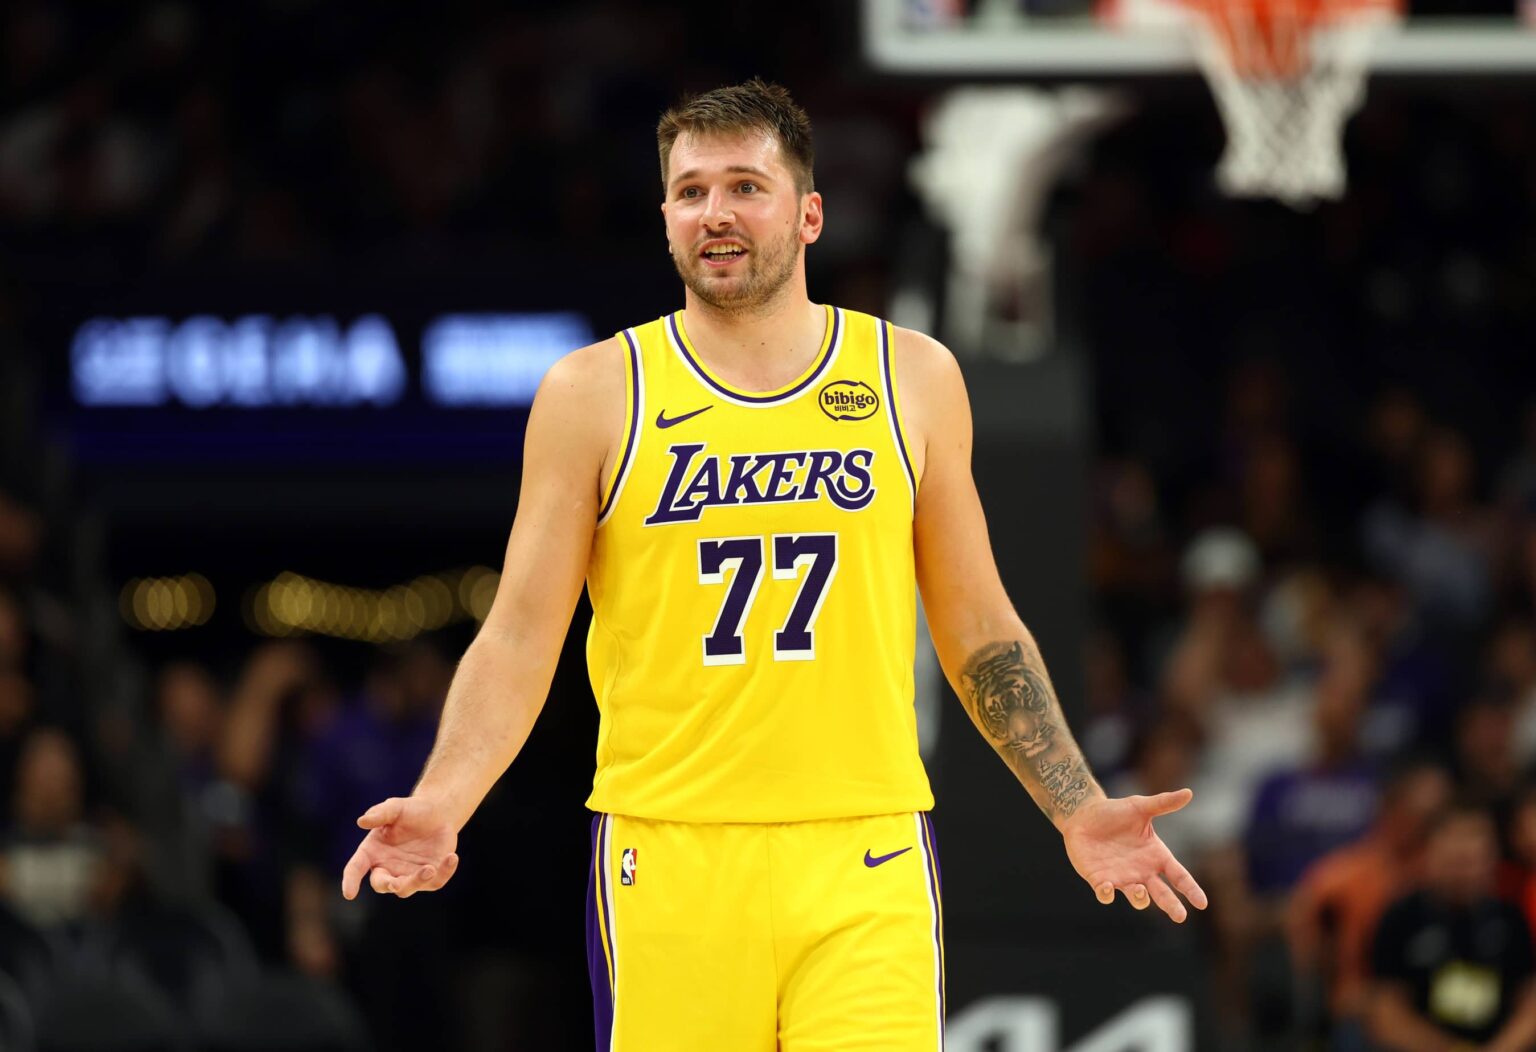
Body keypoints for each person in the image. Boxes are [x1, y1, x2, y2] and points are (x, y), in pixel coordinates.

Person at [340, 79, 1207, 1049]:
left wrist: (1078, 805)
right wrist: (444, 798)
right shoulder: (594, 392)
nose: (715, 211)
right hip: (670, 855)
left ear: (809, 214)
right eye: (690, 191)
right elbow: (518, 636)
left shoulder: (910, 375)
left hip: (865, 853)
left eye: (745, 186)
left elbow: (978, 626)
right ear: (666, 218)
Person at [1368, 802, 1536, 1052]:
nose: (1465, 872)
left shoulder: (1511, 918)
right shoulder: (1401, 917)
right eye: (1456, 860)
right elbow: (1386, 1014)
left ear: (1492, 858)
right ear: (1430, 854)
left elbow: (1530, 1006)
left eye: (1473, 859)